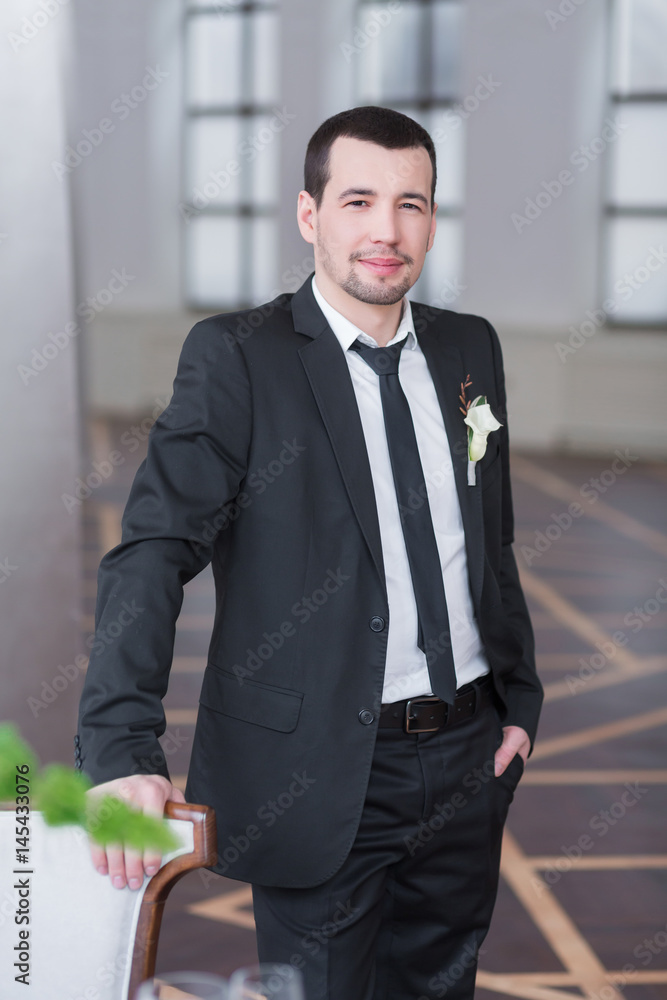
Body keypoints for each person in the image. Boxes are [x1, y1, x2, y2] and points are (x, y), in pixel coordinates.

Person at [76, 105, 543, 1000]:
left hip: (465, 761)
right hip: (320, 770)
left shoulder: (466, 348)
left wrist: (516, 699)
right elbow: (151, 550)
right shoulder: (238, 358)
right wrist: (120, 748)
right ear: (309, 215)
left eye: (410, 204)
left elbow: (489, 540)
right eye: (358, 199)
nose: (385, 229)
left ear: (433, 221)